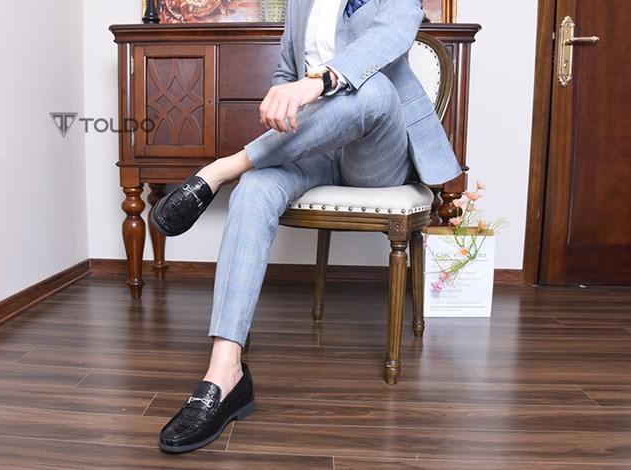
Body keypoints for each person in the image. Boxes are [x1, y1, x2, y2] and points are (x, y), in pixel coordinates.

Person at [151, 0, 461, 453]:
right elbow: (285, 72)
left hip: (374, 151)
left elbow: (390, 36)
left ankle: (221, 169)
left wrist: (318, 82)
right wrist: (284, 96)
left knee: (373, 91)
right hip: (315, 142)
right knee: (253, 190)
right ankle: (224, 372)